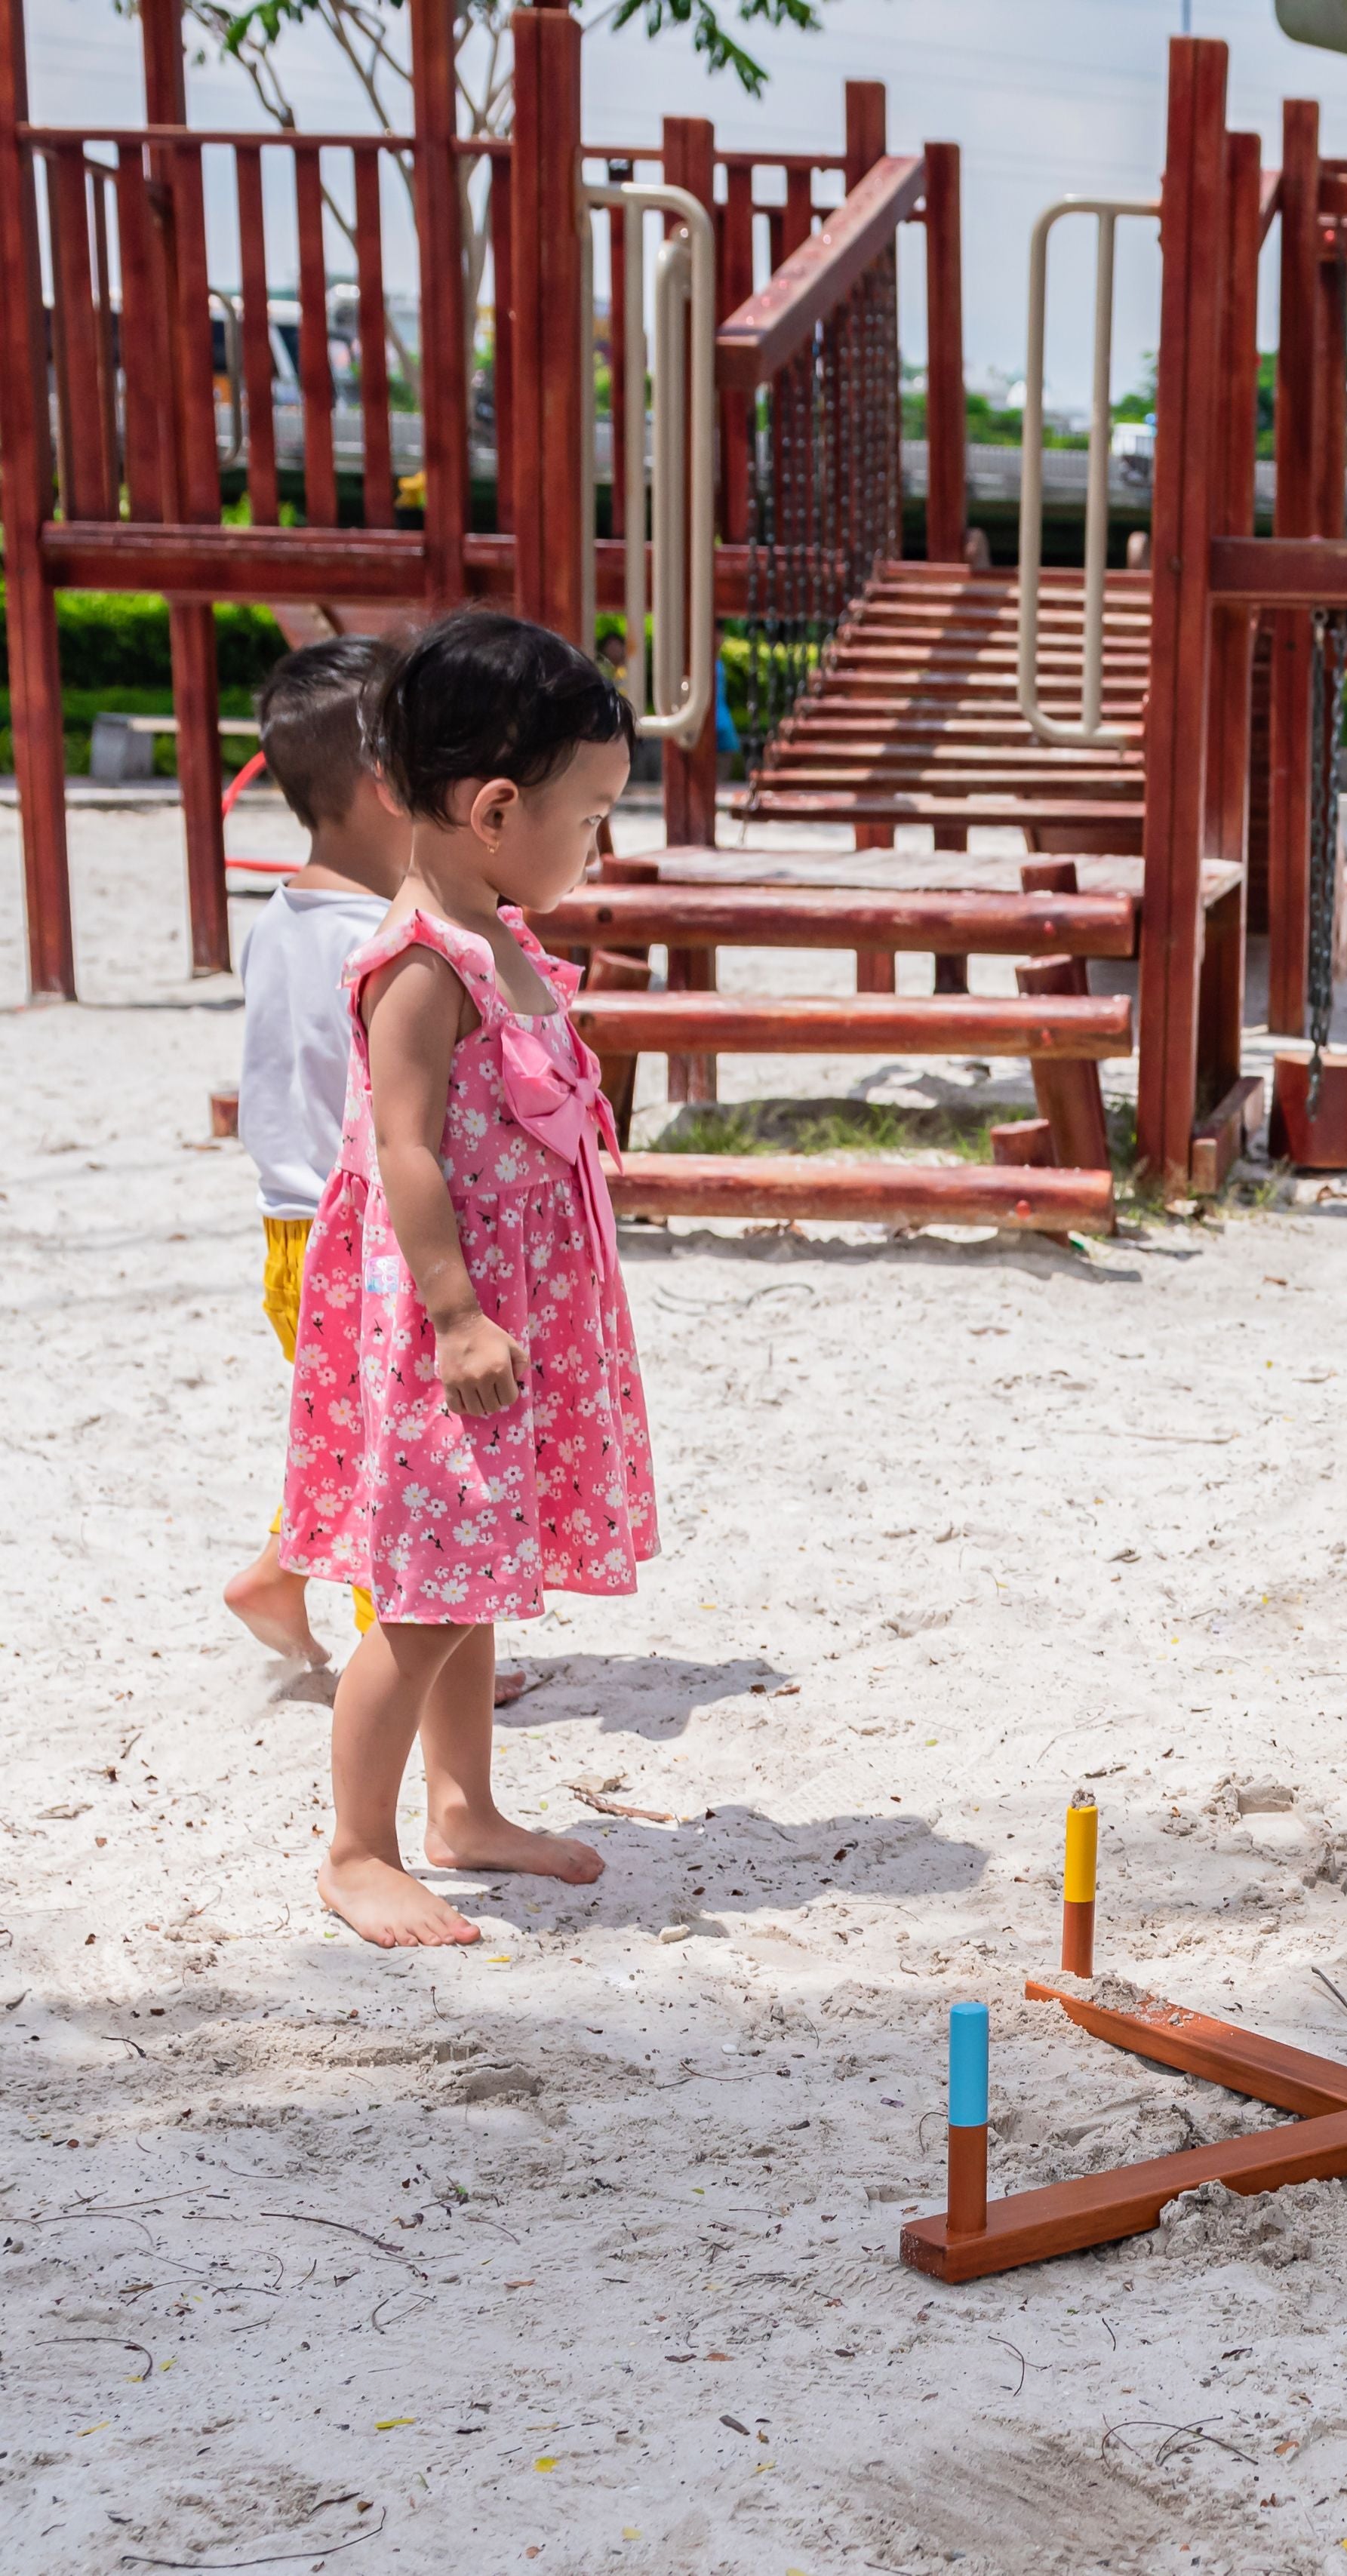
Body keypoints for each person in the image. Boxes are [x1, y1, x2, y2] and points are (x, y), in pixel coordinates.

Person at [280, 610, 655, 1946]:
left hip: (519, 1308)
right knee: (431, 1594)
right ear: (496, 808)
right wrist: (455, 1313)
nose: (598, 844)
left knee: (481, 1571)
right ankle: (357, 1846)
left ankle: (463, 1806)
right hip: (456, 1318)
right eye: (591, 815)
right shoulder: (422, 963)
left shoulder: (495, 929)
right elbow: (401, 1150)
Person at [223, 638, 406, 1665]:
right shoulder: (375, 940)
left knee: (349, 1428)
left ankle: (279, 1572)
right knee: (398, 1449)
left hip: (287, 1232)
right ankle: (410, 1652)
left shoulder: (279, 919)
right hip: (360, 1237)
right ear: (391, 783)